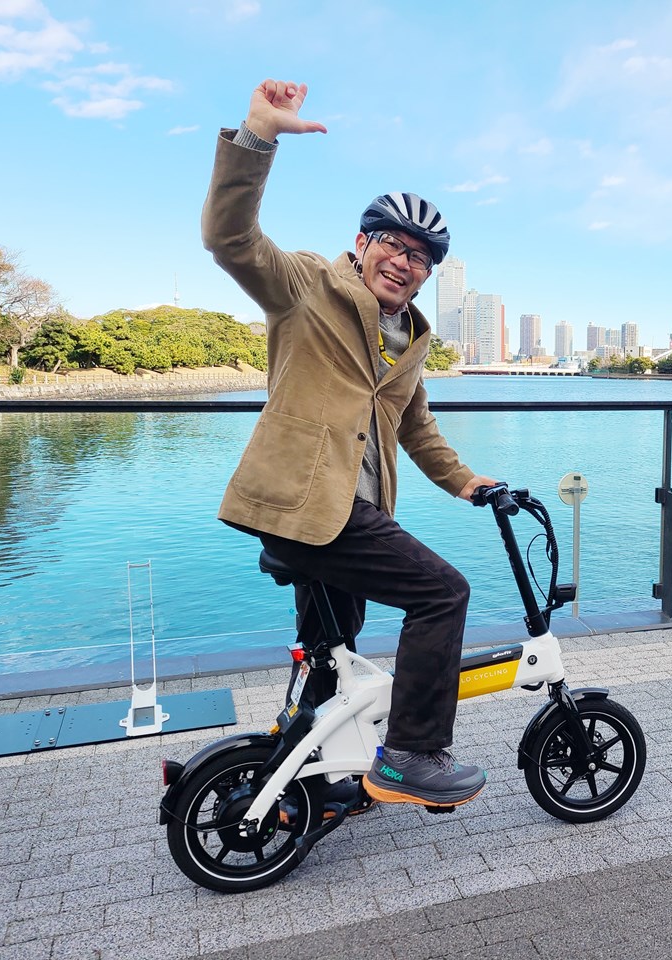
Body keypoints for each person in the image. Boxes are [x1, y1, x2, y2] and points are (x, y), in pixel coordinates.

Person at [202, 78, 492, 810]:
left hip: (355, 514)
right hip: (303, 507)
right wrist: (257, 136)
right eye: (393, 244)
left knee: (334, 651)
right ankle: (412, 754)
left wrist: (464, 482)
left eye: (422, 257)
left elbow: (415, 423)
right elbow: (230, 238)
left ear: (429, 275)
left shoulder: (412, 340)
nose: (405, 261)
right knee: (442, 594)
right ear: (363, 244)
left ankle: (310, 775)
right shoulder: (305, 286)